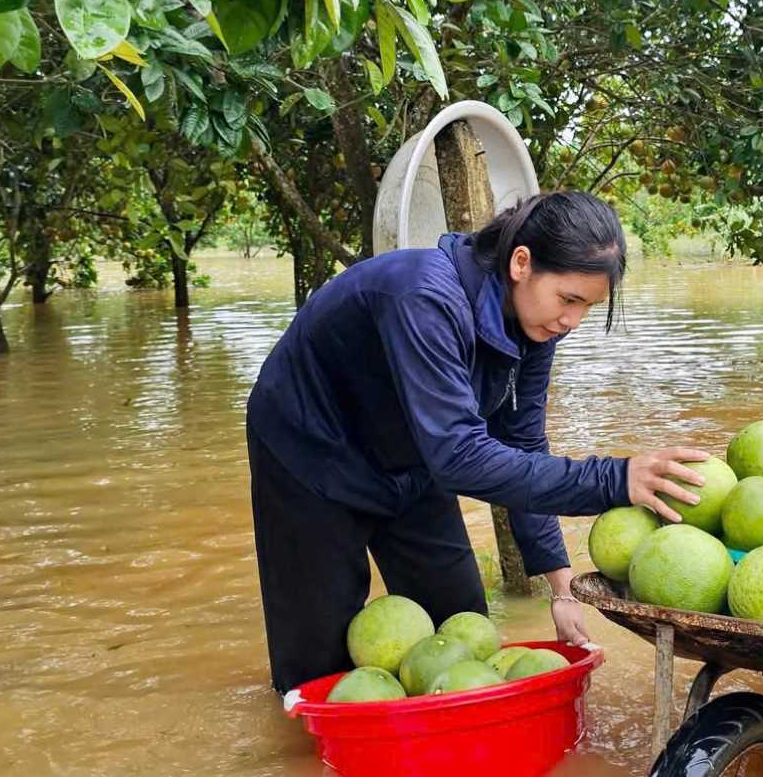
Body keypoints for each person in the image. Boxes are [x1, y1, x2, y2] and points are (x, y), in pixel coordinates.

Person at [246, 190, 708, 693]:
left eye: (587, 307)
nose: (572, 321)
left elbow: (524, 448)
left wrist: (561, 588)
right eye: (568, 299)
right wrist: (614, 478)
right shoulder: (422, 296)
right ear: (521, 262)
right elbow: (461, 457)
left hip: (415, 454)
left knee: (463, 631)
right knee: (320, 666)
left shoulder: (536, 329)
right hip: (313, 452)